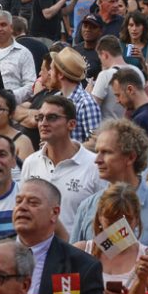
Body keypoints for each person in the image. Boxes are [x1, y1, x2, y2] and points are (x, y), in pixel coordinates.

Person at [72, 119, 148, 250]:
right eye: (97, 152)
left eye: (107, 152)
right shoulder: (88, 207)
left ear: (131, 157)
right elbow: (72, 262)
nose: (97, 160)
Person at [21, 96, 103, 229]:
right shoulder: (30, 162)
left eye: (52, 117)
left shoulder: (95, 165)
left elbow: (110, 219)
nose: (43, 123)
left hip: (79, 248)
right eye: (40, 118)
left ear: (71, 124)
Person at [49, 47, 101, 143]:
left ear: (60, 75)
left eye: (51, 69)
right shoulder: (55, 98)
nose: (49, 73)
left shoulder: (86, 103)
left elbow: (95, 143)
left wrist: (69, 150)